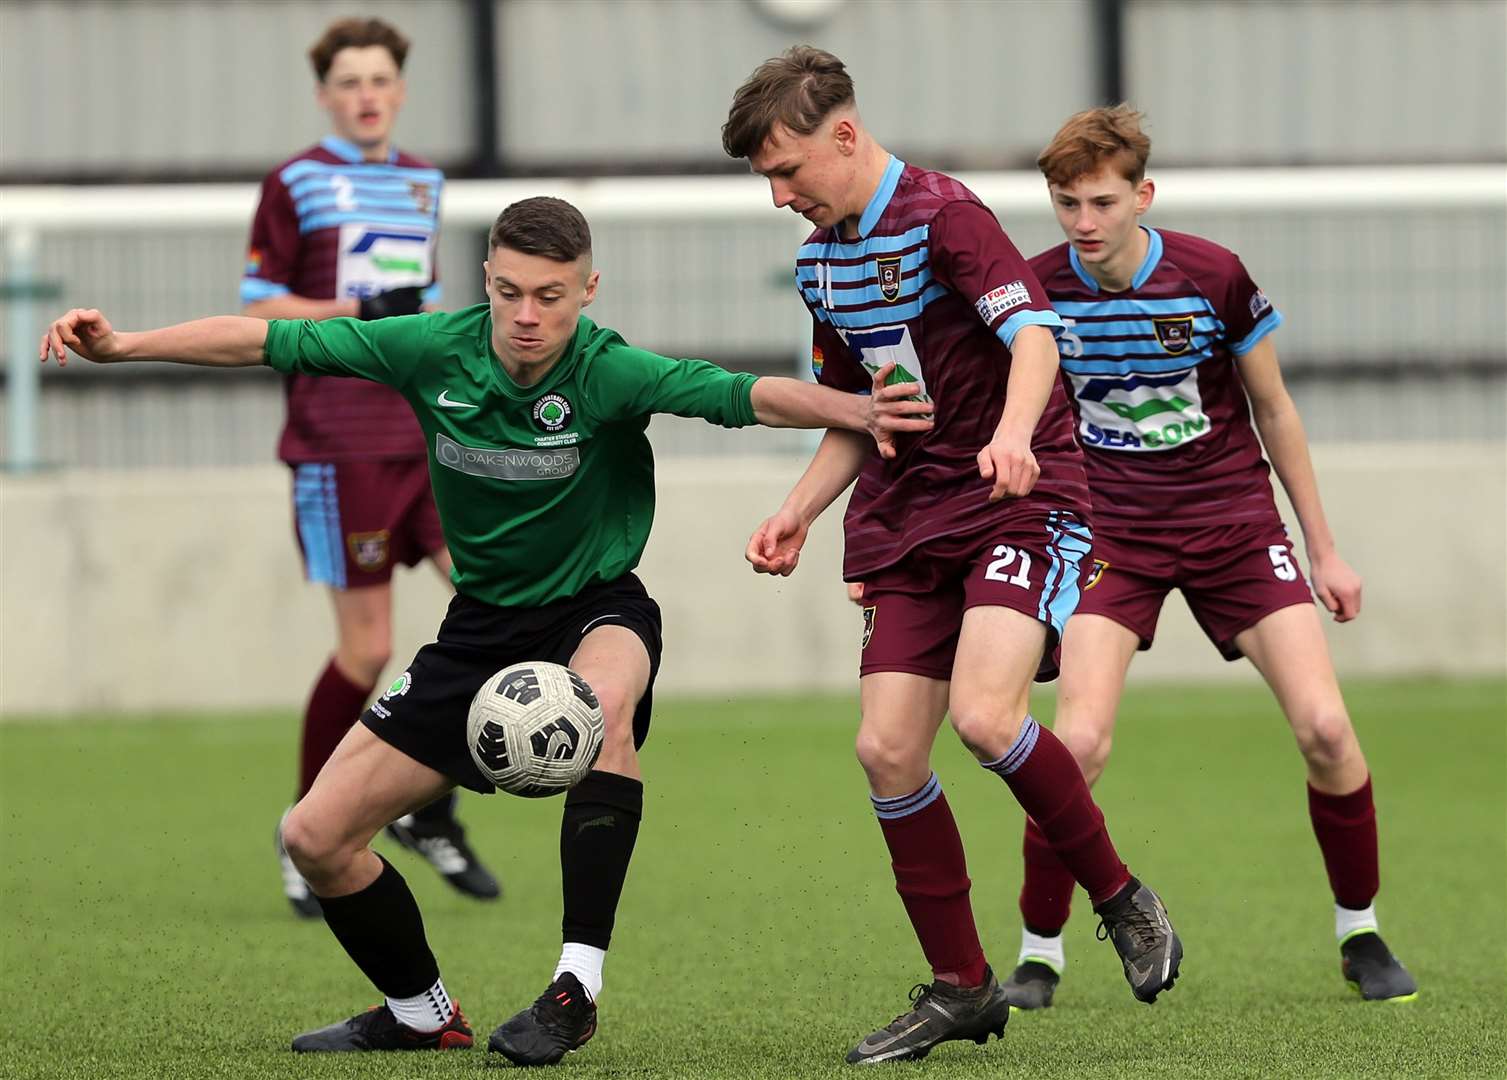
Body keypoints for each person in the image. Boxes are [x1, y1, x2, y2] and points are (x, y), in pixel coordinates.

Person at [41, 195, 930, 1061]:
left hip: (597, 607)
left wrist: (857, 409)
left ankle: (574, 987)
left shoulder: (609, 370)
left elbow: (739, 393)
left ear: (589, 291)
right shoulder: (434, 348)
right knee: (313, 837)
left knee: (603, 709)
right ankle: (420, 1012)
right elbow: (273, 340)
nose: (527, 316)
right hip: (477, 631)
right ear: (486, 281)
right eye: (509, 292)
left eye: (550, 296)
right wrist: (124, 346)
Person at [722, 47, 1183, 1066]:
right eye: (766, 180)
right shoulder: (818, 263)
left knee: (983, 715)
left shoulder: (946, 216)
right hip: (903, 518)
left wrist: (1015, 432)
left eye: (787, 171)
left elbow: (1035, 340)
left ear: (843, 135)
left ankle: (1119, 895)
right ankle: (962, 988)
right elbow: (864, 412)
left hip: (1014, 500)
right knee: (886, 750)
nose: (780, 196)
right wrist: (797, 509)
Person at [996, 104, 1416, 1008]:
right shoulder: (1034, 294)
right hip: (1110, 533)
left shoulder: (1212, 276)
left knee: (1326, 730)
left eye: (1103, 201)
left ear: (1142, 196)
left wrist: (1324, 549)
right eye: (1066, 203)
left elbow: (1274, 411)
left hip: (1232, 522)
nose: (1085, 222)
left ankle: (1360, 933)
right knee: (1076, 745)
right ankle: (1039, 951)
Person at [239, 17, 498, 915]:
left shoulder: (421, 181)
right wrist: (354, 305)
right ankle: (307, 829)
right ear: (324, 95)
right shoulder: (296, 182)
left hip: (424, 439)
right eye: (348, 81)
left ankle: (425, 808)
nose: (366, 94)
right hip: (337, 440)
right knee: (369, 647)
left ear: (399, 87)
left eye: (379, 78)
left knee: (497, 607)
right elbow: (260, 305)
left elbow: (418, 312)